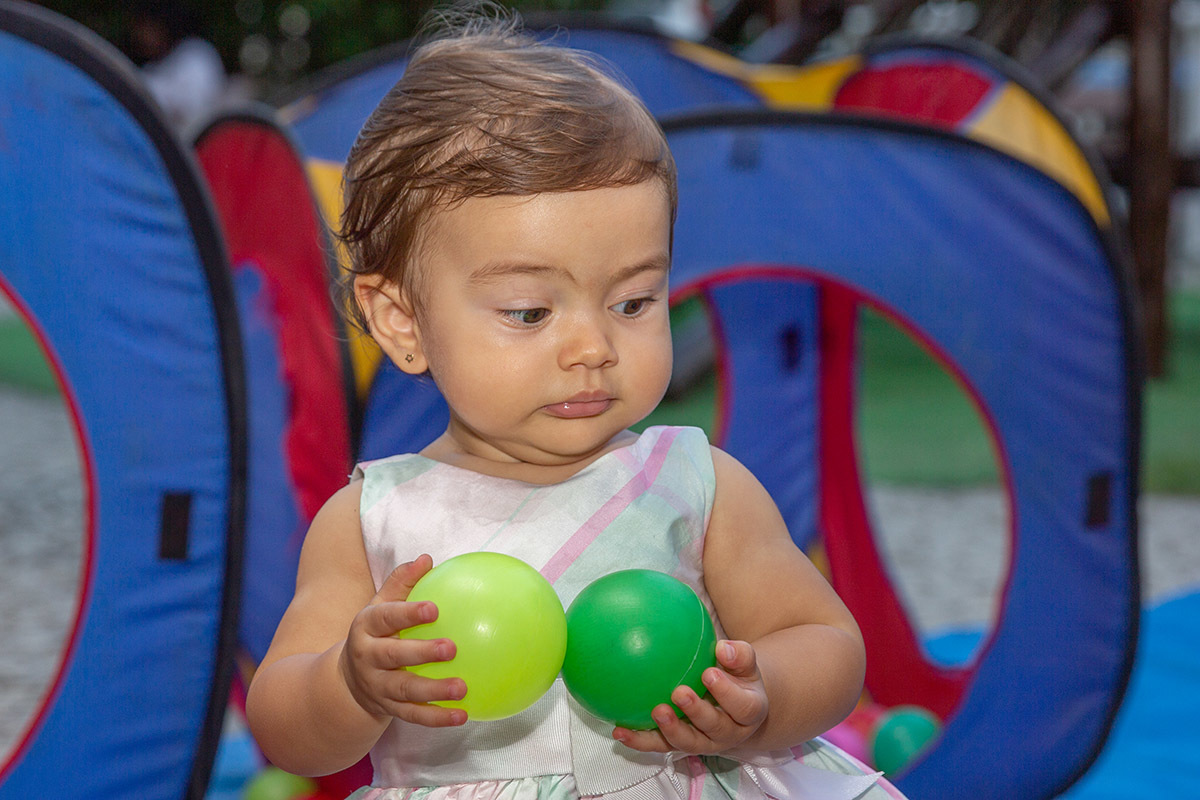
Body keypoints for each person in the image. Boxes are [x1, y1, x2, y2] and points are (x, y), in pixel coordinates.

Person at [246, 9, 905, 800]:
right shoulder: (373, 522)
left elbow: (826, 640)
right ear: (403, 321)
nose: (592, 347)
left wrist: (760, 699)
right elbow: (285, 727)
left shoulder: (698, 482)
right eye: (531, 313)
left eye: (632, 301)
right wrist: (350, 683)